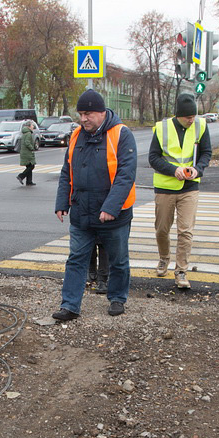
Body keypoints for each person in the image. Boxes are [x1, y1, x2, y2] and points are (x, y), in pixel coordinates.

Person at [52, 89, 137, 321]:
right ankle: (70, 305)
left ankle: (117, 297)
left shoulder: (121, 134)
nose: (83, 119)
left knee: (118, 259)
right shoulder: (76, 135)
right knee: (76, 258)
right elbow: (66, 171)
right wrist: (62, 202)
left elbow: (125, 175)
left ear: (101, 113)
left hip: (114, 215)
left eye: (88, 113)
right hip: (82, 213)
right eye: (80, 114)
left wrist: (110, 208)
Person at [148, 92, 212, 289]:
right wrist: (173, 170)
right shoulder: (162, 128)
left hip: (190, 187)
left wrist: (197, 169)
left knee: (185, 231)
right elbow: (153, 158)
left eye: (193, 116)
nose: (191, 120)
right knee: (162, 229)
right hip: (165, 187)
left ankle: (181, 270)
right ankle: (163, 258)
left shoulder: (201, 126)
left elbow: (206, 153)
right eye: (188, 117)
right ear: (178, 115)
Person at [16, 120, 38, 186]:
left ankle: (29, 181)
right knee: (32, 166)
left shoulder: (25, 133)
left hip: (24, 152)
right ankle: (21, 176)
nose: (33, 126)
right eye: (32, 125)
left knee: (29, 166)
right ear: (29, 126)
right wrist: (32, 148)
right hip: (27, 152)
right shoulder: (28, 133)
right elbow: (27, 142)